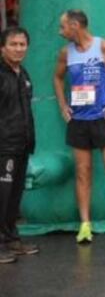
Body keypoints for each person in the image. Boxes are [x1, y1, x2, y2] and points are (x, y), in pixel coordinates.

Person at [53, 10, 105, 243]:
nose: (60, 32)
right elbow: (58, 78)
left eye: (63, 27)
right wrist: (63, 105)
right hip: (79, 121)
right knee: (83, 172)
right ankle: (85, 224)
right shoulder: (65, 53)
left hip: (103, 118)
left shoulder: (104, 47)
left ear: (75, 25)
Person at [0, 27, 39, 263]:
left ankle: (11, 239)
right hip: (3, 147)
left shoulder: (23, 73)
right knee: (2, 196)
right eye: (13, 44)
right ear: (2, 48)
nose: (18, 49)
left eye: (22, 44)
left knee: (14, 197)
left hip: (22, 145)